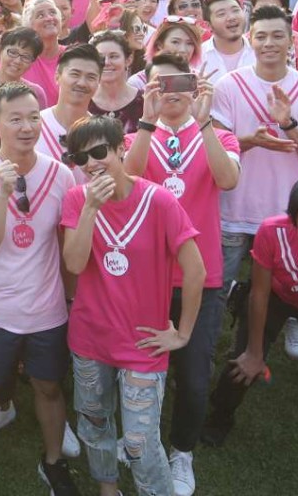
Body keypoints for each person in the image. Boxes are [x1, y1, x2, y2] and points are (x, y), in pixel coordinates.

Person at [61, 115, 206, 496]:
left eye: (99, 152)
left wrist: (183, 332)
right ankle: (109, 490)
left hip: (143, 343)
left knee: (140, 443)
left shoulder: (159, 200)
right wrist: (91, 207)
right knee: (94, 424)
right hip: (91, 337)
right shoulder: (77, 199)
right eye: (81, 158)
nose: (91, 164)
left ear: (121, 149)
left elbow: (195, 270)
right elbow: (74, 264)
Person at [0, 82, 79, 496]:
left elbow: (67, 242)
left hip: (45, 307)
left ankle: (54, 461)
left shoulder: (60, 174)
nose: (27, 127)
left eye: (34, 118)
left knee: (48, 386)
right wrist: (4, 194)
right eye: (16, 119)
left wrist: (71, 294)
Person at [123, 52, 240, 495]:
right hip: (147, 275)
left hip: (201, 277)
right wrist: (148, 123)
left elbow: (226, 180)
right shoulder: (139, 136)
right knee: (139, 365)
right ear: (149, 89)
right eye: (161, 84)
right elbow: (127, 181)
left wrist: (206, 123)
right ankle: (137, 436)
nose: (171, 93)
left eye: (180, 84)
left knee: (192, 373)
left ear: (195, 88)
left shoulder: (222, 136)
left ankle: (182, 450)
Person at [202, 176, 298, 447]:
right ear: (293, 218)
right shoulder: (272, 231)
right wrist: (255, 353)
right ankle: (221, 414)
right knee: (242, 360)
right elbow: (260, 293)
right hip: (276, 295)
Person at [212, 7, 298, 293]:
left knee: (286, 291)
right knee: (219, 288)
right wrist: (251, 140)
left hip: (287, 212)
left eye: (277, 36)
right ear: (251, 39)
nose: (268, 43)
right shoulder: (229, 85)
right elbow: (215, 149)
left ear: (290, 40)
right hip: (235, 209)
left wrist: (288, 123)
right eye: (261, 36)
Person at [36, 44, 103, 179]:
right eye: (75, 74)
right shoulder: (34, 126)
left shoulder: (102, 133)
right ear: (57, 76)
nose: (82, 83)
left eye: (91, 77)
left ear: (98, 83)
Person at [89, 31, 143, 133]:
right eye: (100, 57)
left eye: (113, 56)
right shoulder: (84, 101)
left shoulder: (144, 102)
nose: (106, 63)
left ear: (128, 60)